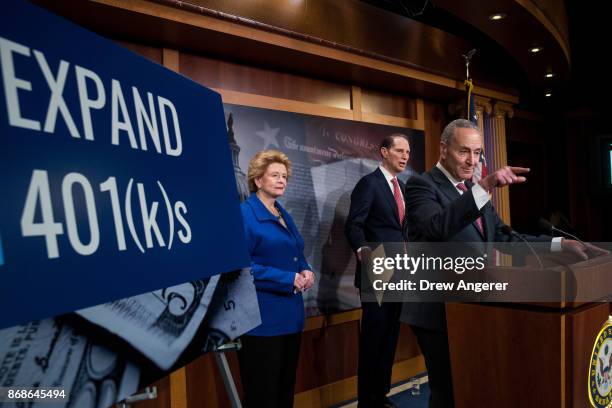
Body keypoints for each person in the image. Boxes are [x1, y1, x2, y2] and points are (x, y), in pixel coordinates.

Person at [400, 118, 603, 408]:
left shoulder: (475, 192)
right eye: (463, 152)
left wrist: (561, 245)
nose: (472, 161)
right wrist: (483, 187)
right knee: (449, 392)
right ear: (443, 149)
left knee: (476, 384)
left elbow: (507, 239)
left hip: (476, 308)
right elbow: (436, 228)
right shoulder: (422, 185)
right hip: (436, 310)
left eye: (477, 153)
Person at [238, 149, 315, 408]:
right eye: (274, 175)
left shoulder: (281, 211)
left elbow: (296, 251)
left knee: (284, 390)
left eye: (284, 176)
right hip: (261, 321)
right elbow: (241, 267)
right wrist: (288, 278)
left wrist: (306, 270)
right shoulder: (245, 214)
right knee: (263, 395)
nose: (282, 180)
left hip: (290, 318)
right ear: (258, 180)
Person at [345, 134, 411, 408]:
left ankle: (380, 396)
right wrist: (362, 251)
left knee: (390, 338)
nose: (405, 156)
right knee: (373, 339)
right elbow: (353, 225)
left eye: (408, 151)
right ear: (384, 152)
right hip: (378, 270)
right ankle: (367, 402)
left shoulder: (403, 187)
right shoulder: (369, 184)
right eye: (400, 150)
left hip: (401, 273)